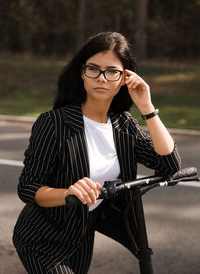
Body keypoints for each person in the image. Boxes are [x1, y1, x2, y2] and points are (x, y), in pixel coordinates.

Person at [13, 31, 181, 274]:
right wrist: (67, 192)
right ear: (82, 72)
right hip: (42, 237)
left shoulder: (124, 125)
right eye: (94, 69)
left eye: (112, 71)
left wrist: (147, 107)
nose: (102, 78)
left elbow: (170, 165)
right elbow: (28, 186)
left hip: (81, 237)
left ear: (124, 78)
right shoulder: (53, 122)